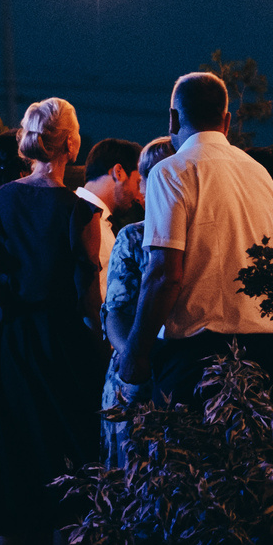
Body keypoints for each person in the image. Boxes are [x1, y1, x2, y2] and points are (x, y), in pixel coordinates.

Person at [0, 97, 108, 545]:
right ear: (71, 144)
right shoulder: (82, 212)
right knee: (71, 477)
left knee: (13, 474)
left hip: (12, 347)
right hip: (65, 348)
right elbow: (88, 300)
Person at [114, 71, 273, 410]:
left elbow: (165, 275)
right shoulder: (260, 174)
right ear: (227, 120)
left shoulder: (171, 172)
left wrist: (136, 353)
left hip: (195, 356)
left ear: (173, 118)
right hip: (265, 350)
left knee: (187, 459)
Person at [99, 136, 177, 459]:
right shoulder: (132, 236)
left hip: (148, 370)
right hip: (141, 369)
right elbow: (115, 313)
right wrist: (135, 358)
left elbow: (114, 311)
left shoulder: (135, 235)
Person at [77, 138, 145, 280]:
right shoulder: (83, 217)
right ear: (118, 172)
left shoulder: (103, 220)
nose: (139, 196)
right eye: (138, 183)